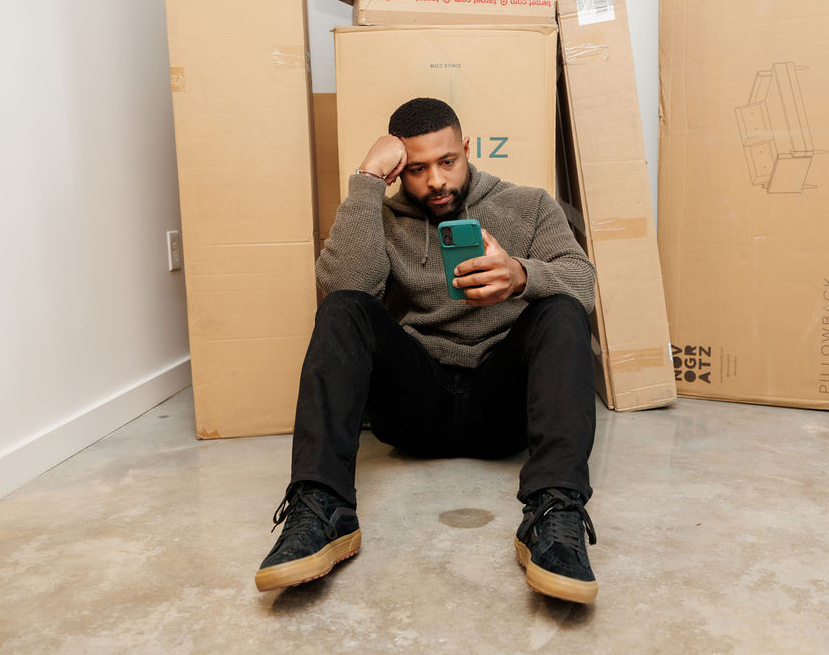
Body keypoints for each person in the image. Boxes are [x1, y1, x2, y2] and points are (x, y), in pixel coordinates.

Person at [254, 97, 599, 604]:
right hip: (415, 406)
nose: (435, 181)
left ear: (465, 148)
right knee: (344, 307)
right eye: (416, 169)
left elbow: (583, 283)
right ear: (398, 172)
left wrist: (522, 275)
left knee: (563, 307)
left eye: (446, 162)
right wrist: (367, 180)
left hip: (503, 406)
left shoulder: (528, 205)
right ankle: (322, 509)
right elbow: (347, 285)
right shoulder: (381, 215)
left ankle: (554, 512)